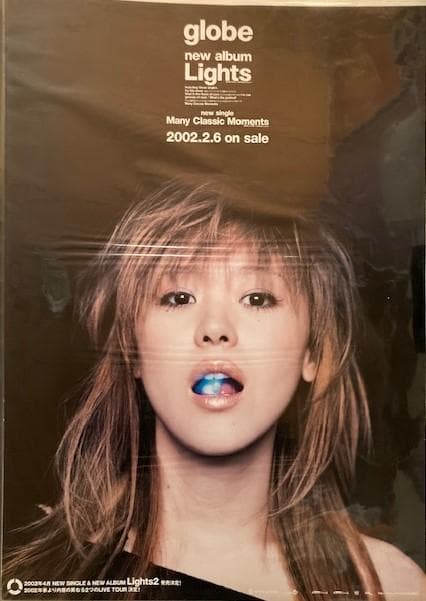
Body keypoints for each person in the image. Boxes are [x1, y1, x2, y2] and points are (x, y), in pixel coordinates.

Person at [4, 178, 425, 601]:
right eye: (178, 297)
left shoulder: (390, 588)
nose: (215, 329)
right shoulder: (34, 576)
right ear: (131, 350)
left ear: (312, 353)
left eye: (258, 298)